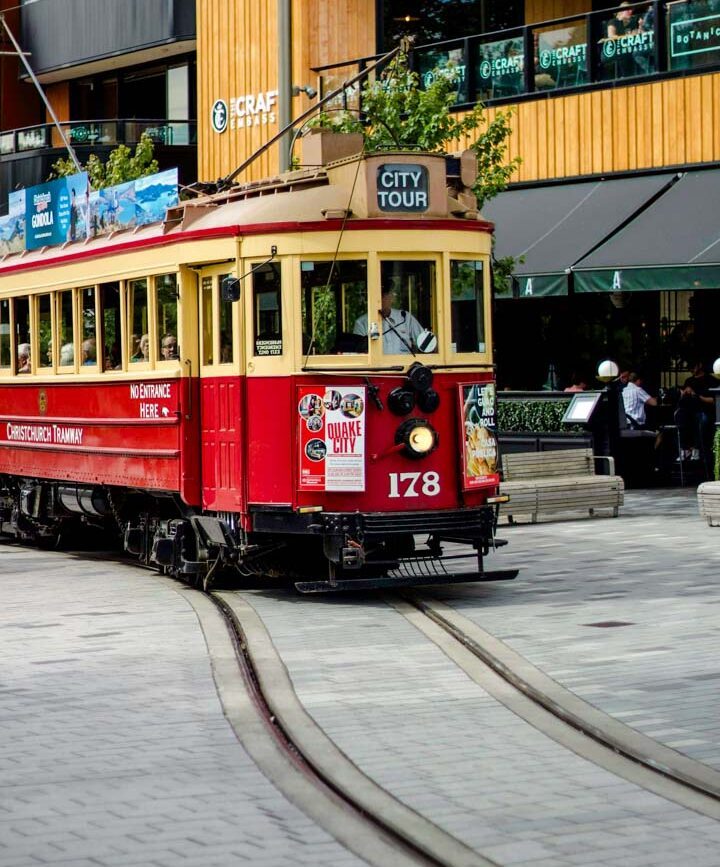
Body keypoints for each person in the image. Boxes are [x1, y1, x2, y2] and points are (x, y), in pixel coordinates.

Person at [353, 285, 424, 354]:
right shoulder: (361, 323)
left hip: (405, 365)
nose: (379, 299)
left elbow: (425, 344)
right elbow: (358, 353)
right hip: (377, 366)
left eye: (383, 295)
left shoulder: (405, 317)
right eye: (376, 295)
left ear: (392, 297)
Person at [674, 360, 718, 461]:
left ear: (700, 365)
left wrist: (696, 395)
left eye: (693, 367)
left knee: (702, 420)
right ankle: (684, 449)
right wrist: (683, 393)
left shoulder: (710, 380)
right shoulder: (689, 381)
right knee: (679, 417)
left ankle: (696, 449)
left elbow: (714, 400)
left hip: (704, 410)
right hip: (688, 410)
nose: (691, 370)